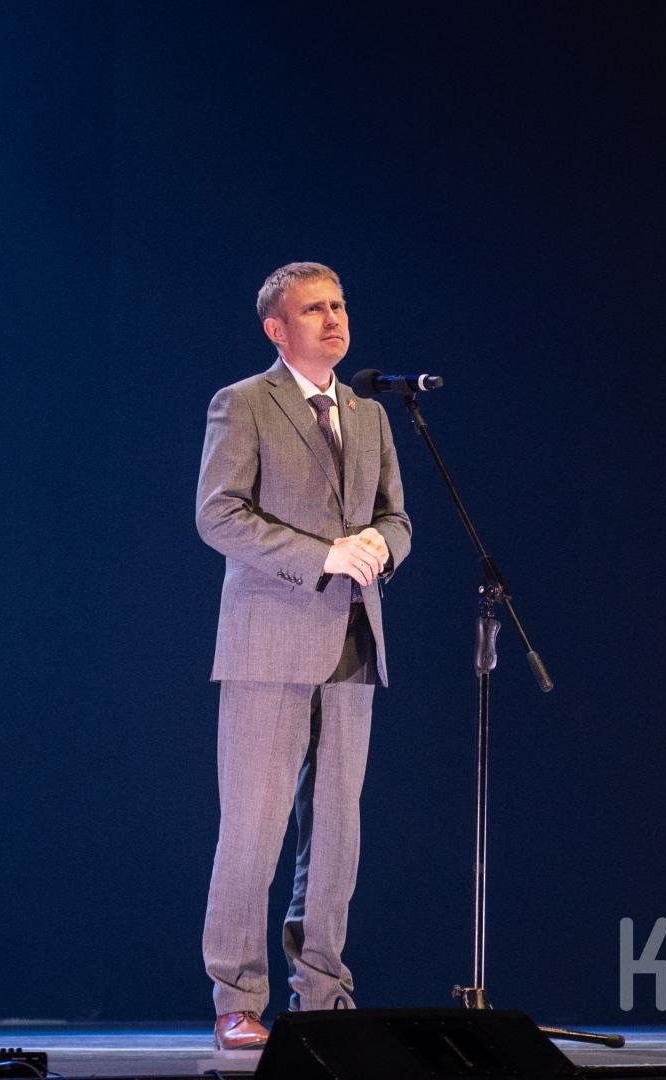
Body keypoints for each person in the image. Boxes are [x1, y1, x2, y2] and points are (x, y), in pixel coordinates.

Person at [196, 262, 413, 1050]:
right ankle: (237, 997)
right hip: (268, 642)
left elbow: (396, 518)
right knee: (253, 830)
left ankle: (323, 996)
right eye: (314, 308)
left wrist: (380, 547)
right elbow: (219, 516)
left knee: (336, 833)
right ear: (276, 329)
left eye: (339, 304)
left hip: (353, 639)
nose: (334, 318)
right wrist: (322, 555)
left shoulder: (370, 415)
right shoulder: (244, 403)